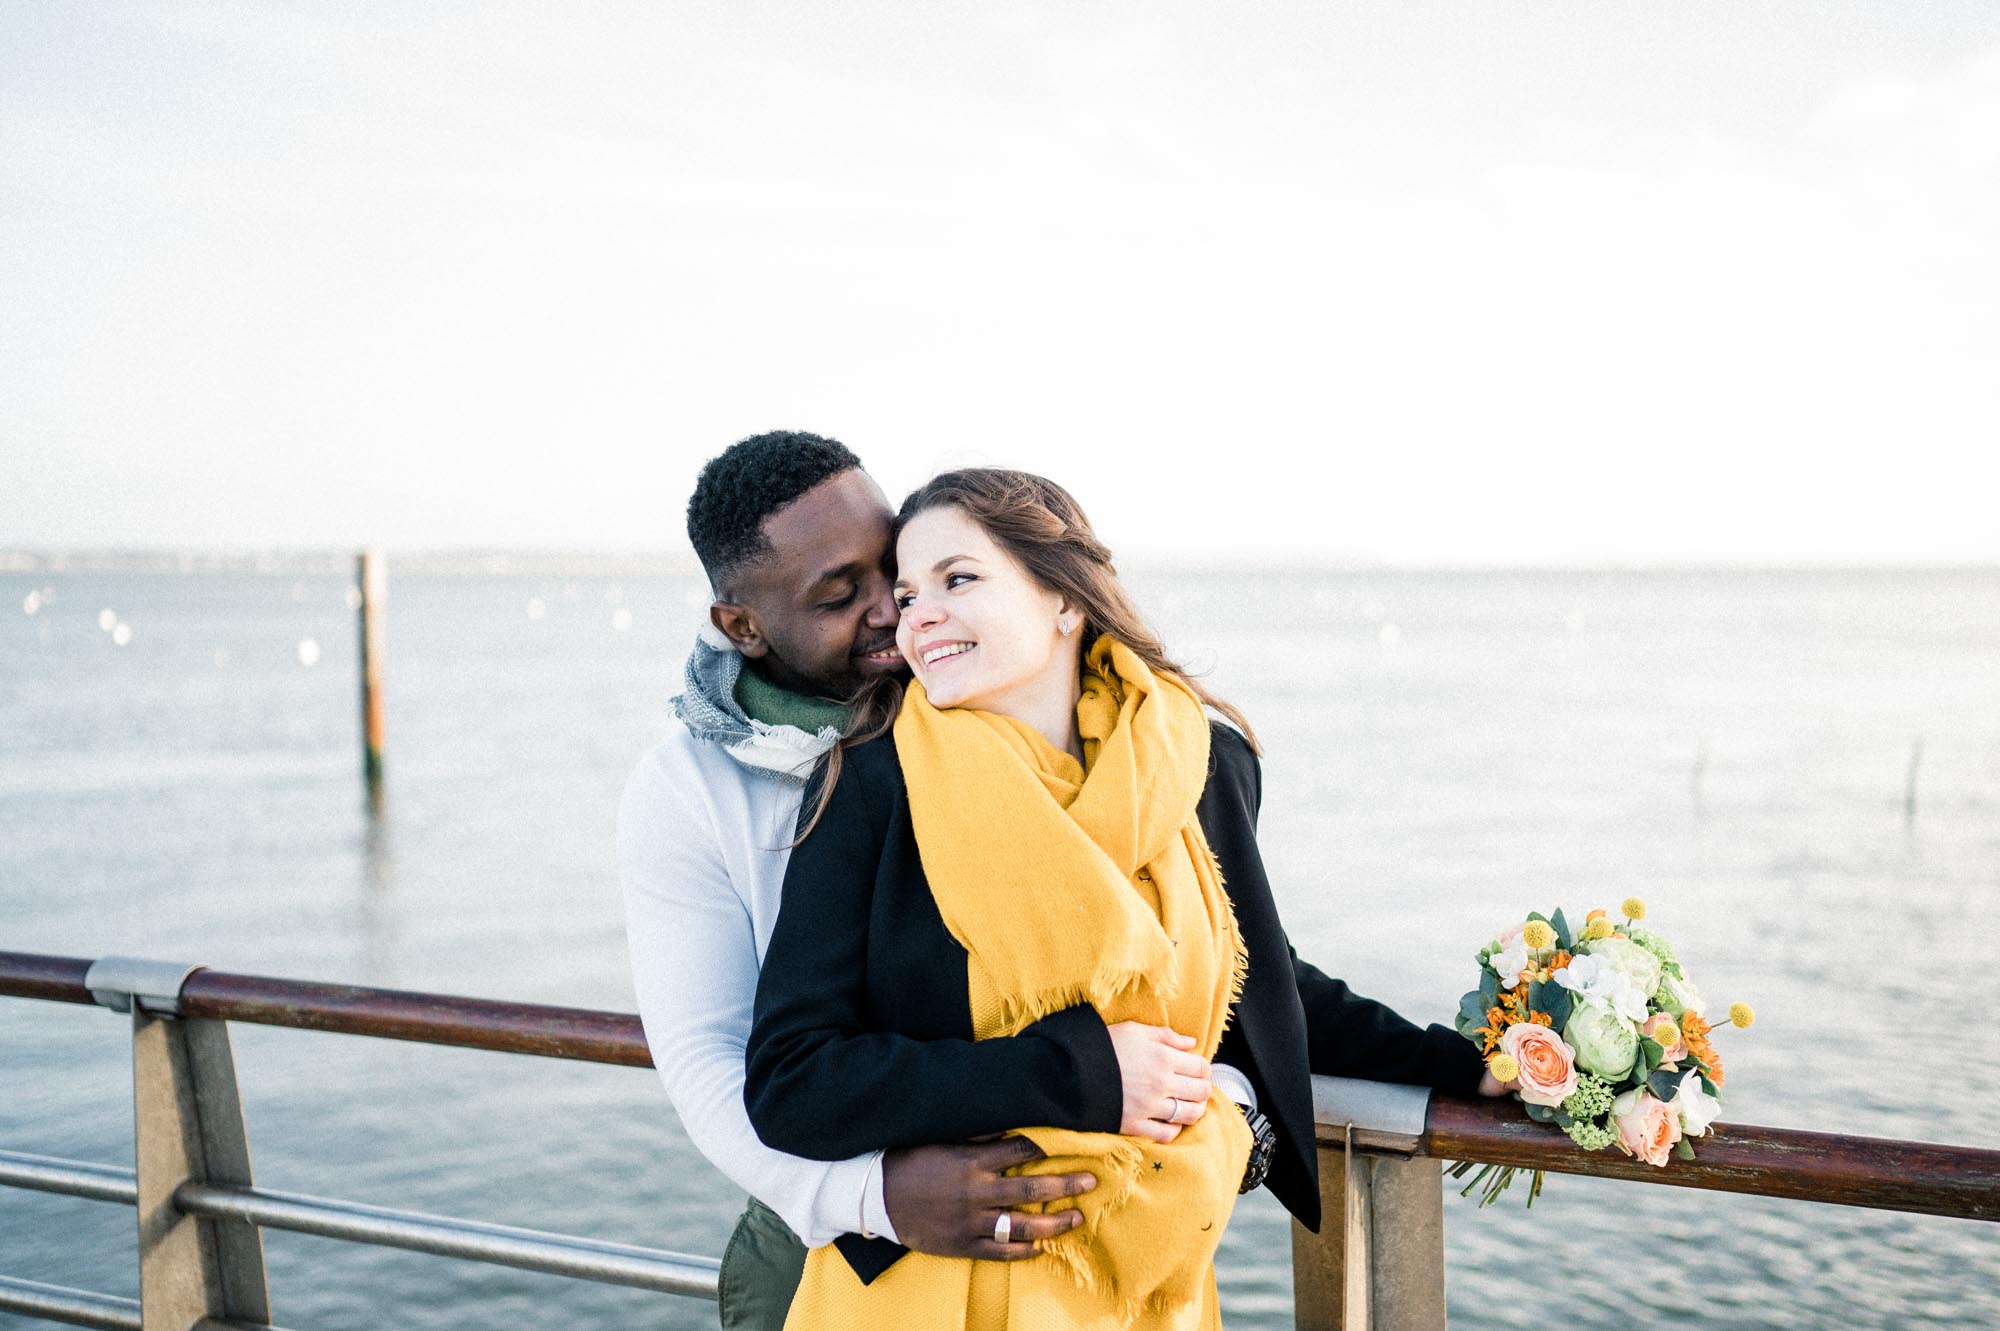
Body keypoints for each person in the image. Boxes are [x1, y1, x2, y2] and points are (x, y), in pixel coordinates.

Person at [745, 468, 1501, 1329]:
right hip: (934, 1291)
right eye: (909, 592)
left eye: (959, 579)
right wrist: (1083, 1074)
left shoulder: (1197, 766)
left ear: (1064, 599)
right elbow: (790, 1080)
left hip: (1147, 1290)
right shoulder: (871, 785)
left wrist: (1470, 1063)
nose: (916, 616)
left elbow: (1261, 980)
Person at [621, 434, 1112, 1331]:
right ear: (744, 625)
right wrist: (877, 1195)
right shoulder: (688, 789)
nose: (895, 609)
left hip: (1045, 1230)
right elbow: (709, 1065)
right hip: (826, 1239)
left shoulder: (976, 704)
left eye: (896, 569)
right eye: (842, 594)